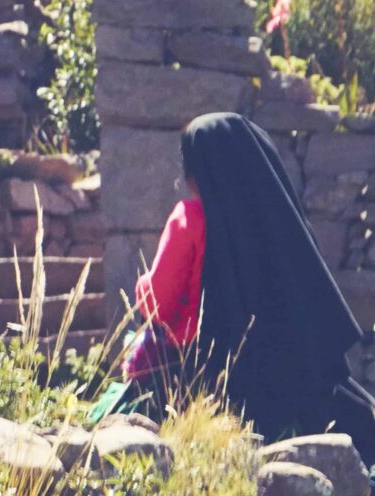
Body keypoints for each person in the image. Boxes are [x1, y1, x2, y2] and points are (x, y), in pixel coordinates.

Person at [126, 112, 375, 466]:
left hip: (207, 384)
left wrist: (142, 286)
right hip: (289, 378)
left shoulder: (190, 219)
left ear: (198, 170)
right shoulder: (277, 223)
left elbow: (157, 306)